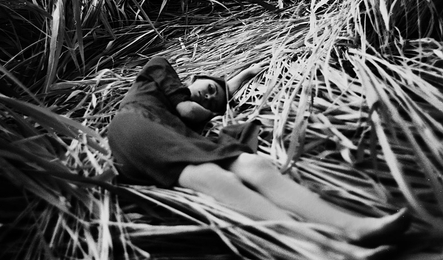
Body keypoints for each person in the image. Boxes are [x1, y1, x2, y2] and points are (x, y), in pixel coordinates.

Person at [108, 56, 410, 248]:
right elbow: (190, 110)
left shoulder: (183, 129)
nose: (210, 95)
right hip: (133, 127)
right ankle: (326, 246)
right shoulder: (158, 69)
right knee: (216, 175)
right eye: (209, 87)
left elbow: (201, 111)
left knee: (253, 166)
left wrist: (225, 96)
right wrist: (242, 76)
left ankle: (351, 229)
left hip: (155, 144)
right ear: (195, 77)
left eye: (215, 99)